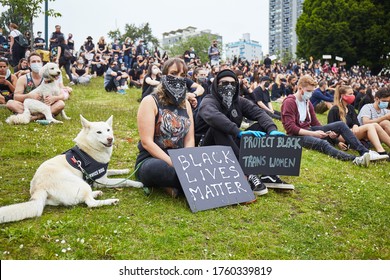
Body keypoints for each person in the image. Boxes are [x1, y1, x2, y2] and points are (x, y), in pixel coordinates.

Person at [196, 69, 290, 196]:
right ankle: (247, 173)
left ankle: (268, 174)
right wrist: (237, 131)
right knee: (218, 127)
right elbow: (212, 116)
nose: (228, 87)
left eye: (232, 83)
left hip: (230, 145)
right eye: (224, 83)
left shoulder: (239, 101)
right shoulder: (209, 100)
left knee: (260, 127)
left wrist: (271, 130)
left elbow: (260, 113)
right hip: (208, 149)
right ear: (216, 84)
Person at [280, 75, 382, 166]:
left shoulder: (307, 102)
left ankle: (364, 152)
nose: (310, 94)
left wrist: (328, 133)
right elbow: (291, 128)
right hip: (295, 137)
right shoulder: (290, 102)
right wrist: (314, 133)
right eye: (309, 91)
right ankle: (355, 159)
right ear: (300, 88)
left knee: (340, 125)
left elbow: (316, 123)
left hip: (308, 129)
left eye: (312, 91)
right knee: (322, 144)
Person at [135, 58, 195, 198]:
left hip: (180, 157)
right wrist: (174, 164)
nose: (178, 79)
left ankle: (176, 186)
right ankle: (186, 184)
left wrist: (188, 160)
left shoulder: (185, 104)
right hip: (152, 159)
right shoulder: (150, 101)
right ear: (164, 76)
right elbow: (147, 142)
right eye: (174, 74)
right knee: (157, 169)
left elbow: (190, 138)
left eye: (182, 75)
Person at [327, 85, 390, 158]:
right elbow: (330, 129)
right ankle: (381, 152)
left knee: (375, 125)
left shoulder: (350, 108)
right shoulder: (334, 110)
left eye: (353, 94)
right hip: (341, 136)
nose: (353, 96)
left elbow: (356, 122)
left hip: (353, 133)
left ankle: (382, 151)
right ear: (343, 95)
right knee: (370, 126)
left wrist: (355, 125)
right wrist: (337, 142)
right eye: (350, 94)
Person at [6, 52, 66, 118]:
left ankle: (34, 117)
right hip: (30, 106)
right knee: (10, 103)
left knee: (61, 103)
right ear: (28, 64)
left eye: (38, 61)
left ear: (42, 63)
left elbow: (62, 95)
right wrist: (29, 96)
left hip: (47, 105)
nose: (36, 63)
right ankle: (44, 115)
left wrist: (54, 98)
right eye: (33, 61)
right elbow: (16, 97)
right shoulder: (23, 78)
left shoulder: (51, 77)